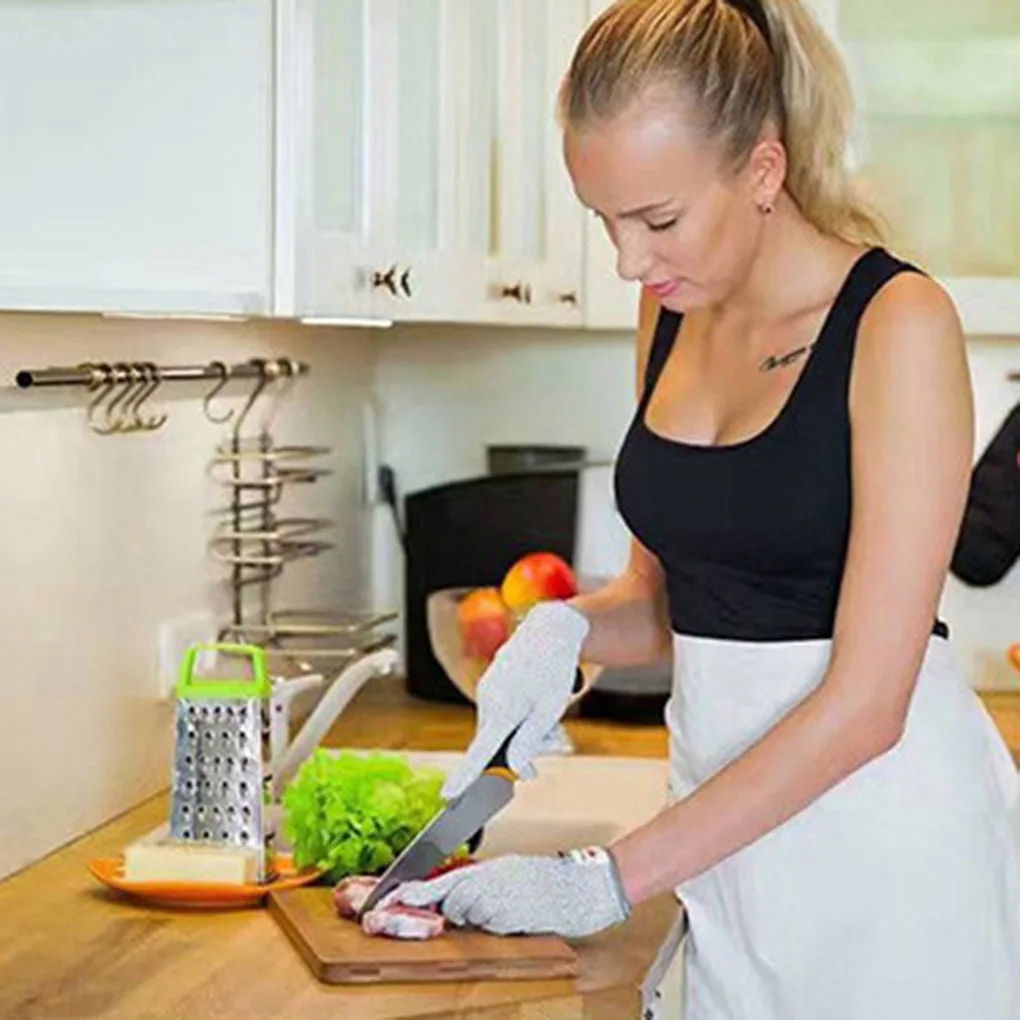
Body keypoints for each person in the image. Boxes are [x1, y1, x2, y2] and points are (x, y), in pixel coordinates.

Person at [380, 0, 1020, 1016]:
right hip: (721, 851)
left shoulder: (898, 324)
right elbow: (662, 603)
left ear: (762, 171)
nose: (629, 261)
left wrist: (606, 878)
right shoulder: (671, 311)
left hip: (887, 863)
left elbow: (868, 705)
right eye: (605, 221)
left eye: (658, 219)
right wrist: (563, 630)